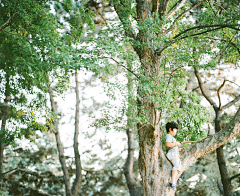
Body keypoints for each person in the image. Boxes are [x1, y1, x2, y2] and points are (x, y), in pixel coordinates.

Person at [165, 121, 184, 191]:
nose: (176, 131)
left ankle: (173, 181)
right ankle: (172, 182)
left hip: (173, 153)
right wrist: (176, 143)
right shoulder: (169, 136)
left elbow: (172, 147)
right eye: (175, 129)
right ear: (170, 129)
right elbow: (168, 144)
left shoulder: (171, 137)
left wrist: (178, 150)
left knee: (178, 165)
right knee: (177, 166)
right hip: (171, 154)